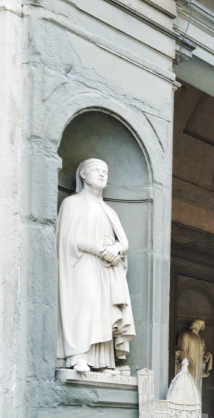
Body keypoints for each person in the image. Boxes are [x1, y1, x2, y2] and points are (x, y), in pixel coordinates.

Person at [56, 158, 135, 372]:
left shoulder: (108, 210)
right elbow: (68, 239)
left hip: (107, 267)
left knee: (104, 310)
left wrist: (116, 250)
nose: (102, 174)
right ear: (83, 174)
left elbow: (124, 242)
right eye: (97, 170)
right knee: (87, 304)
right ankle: (77, 355)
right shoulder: (72, 203)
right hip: (83, 263)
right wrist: (102, 251)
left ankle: (102, 361)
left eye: (105, 171)